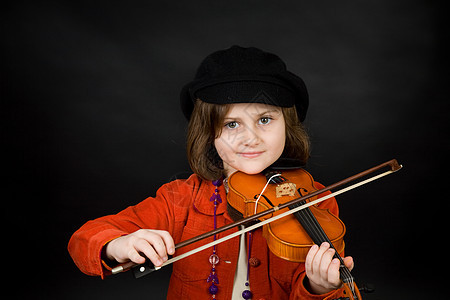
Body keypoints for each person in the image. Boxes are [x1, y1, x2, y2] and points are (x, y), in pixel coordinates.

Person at [68, 45, 355, 299]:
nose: (250, 138)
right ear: (208, 134)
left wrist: (318, 288)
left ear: (287, 126)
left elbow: (312, 289)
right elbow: (84, 239)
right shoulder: (181, 198)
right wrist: (118, 244)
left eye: (265, 119)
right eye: (231, 124)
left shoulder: (315, 201)